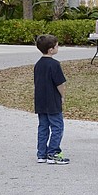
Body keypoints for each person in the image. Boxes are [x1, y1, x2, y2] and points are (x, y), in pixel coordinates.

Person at [34, 34, 69, 165]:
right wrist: (62, 96)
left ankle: (41, 153)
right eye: (57, 46)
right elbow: (60, 83)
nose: (58, 47)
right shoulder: (54, 64)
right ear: (51, 49)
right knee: (57, 126)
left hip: (40, 100)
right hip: (52, 100)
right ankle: (53, 152)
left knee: (43, 126)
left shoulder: (38, 64)